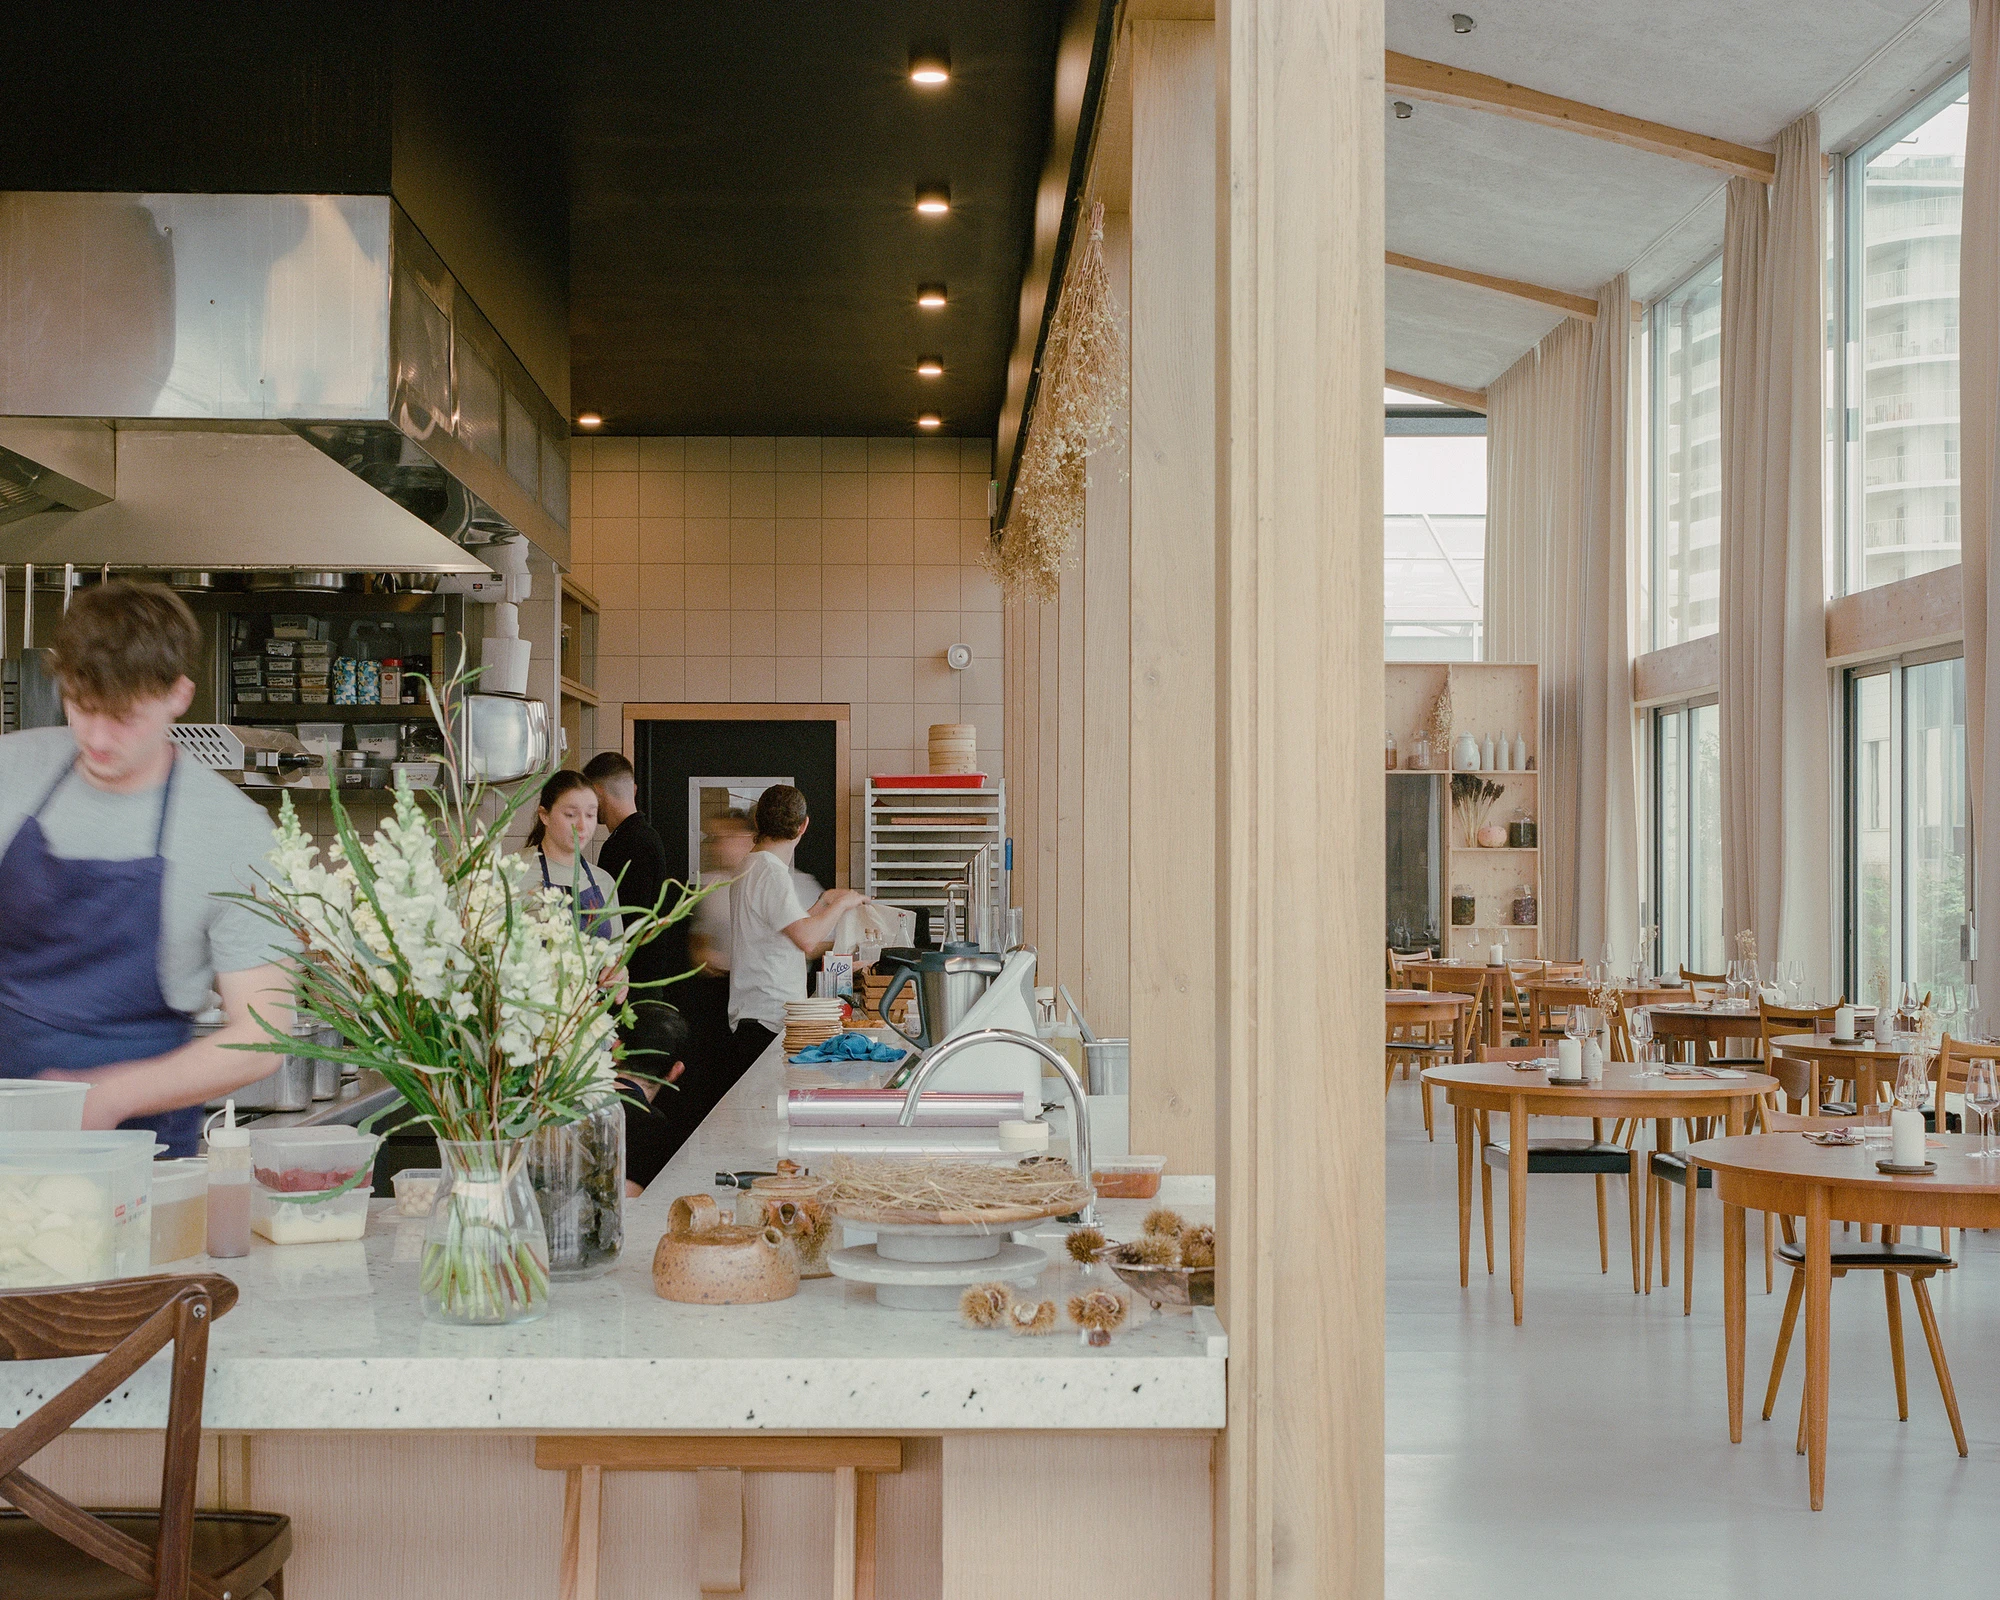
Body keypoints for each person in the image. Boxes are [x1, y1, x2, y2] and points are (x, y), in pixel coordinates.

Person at [0, 580, 290, 1157]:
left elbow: (262, 1036)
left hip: (139, 1155)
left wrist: (109, 1097)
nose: (98, 738)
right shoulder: (11, 772)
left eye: (124, 717)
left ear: (178, 695)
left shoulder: (235, 833)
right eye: (82, 707)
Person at [725, 785, 864, 1075]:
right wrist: (842, 905)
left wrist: (823, 901)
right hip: (767, 1020)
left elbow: (785, 929)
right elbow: (807, 940)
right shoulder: (771, 873)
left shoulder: (751, 865)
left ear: (757, 822)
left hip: (754, 1017)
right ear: (804, 825)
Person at [525, 770, 611, 935]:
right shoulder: (513, 874)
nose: (582, 826)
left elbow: (617, 957)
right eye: (571, 815)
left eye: (590, 815)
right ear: (544, 816)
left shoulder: (604, 882)